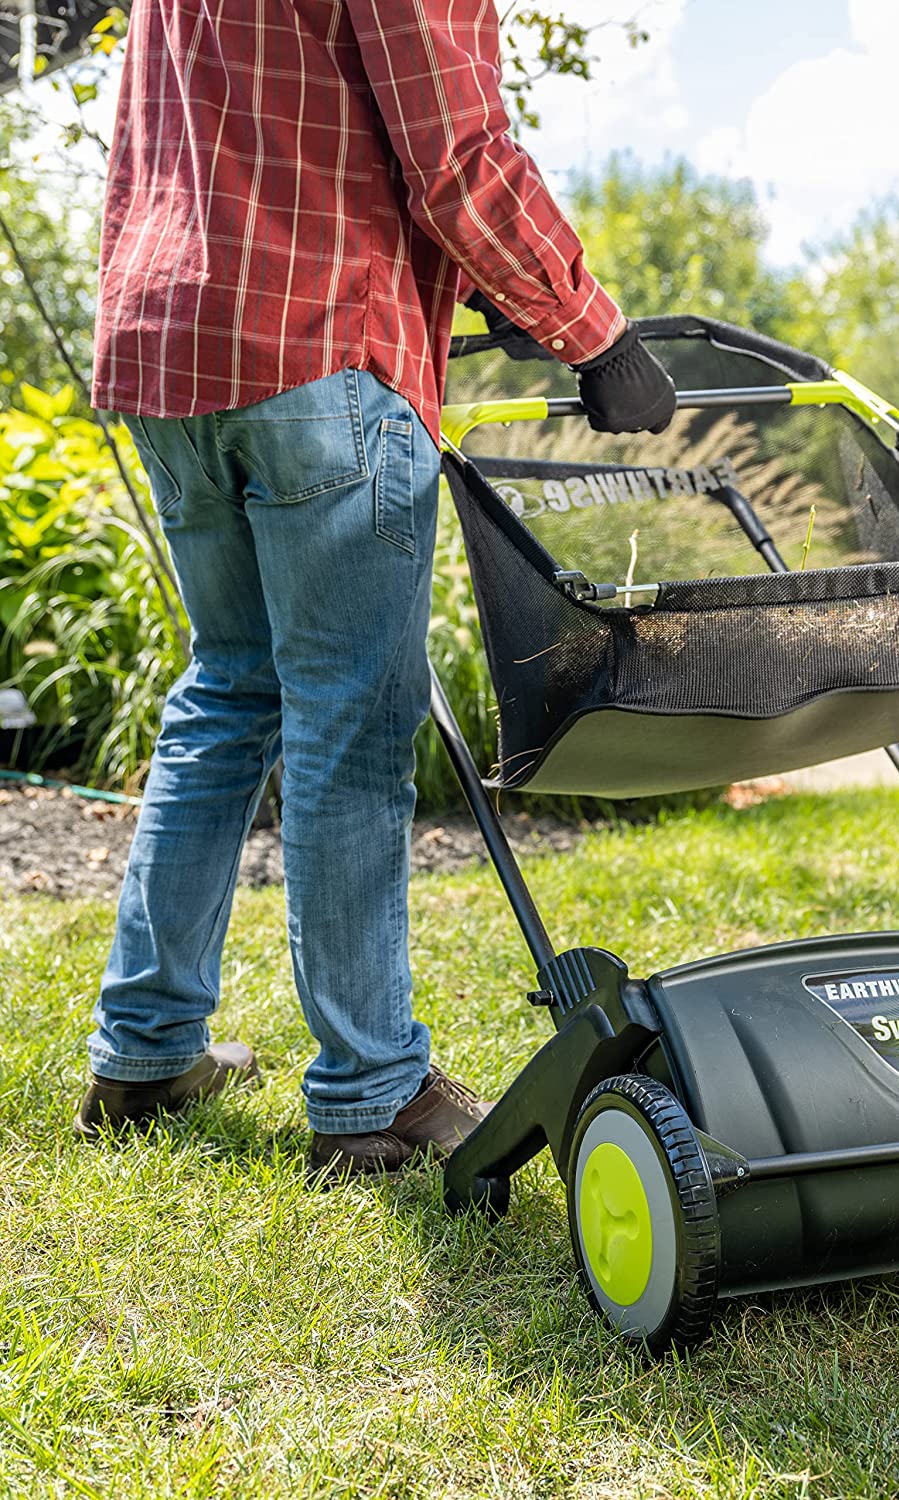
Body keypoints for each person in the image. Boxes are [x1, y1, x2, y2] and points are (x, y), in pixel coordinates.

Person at [75, 0, 675, 1175]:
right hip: (317, 343)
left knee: (230, 689)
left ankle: (143, 1052)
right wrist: (593, 332)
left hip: (171, 340)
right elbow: (456, 149)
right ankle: (372, 1094)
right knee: (348, 725)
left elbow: (248, 124)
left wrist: (487, 282)